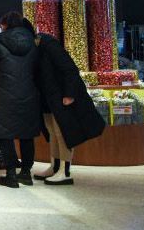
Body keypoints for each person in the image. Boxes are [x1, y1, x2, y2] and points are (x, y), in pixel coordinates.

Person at [31, 24, 106, 185]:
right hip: (47, 99)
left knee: (63, 132)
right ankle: (55, 166)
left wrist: (69, 94)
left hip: (60, 97)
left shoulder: (49, 45)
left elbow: (70, 69)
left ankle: (65, 171)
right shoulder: (36, 49)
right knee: (52, 132)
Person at [0, 11, 42, 188]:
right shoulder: (33, 42)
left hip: (3, 95)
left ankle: (11, 175)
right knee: (27, 134)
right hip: (29, 93)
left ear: (5, 25)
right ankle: (26, 174)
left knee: (4, 133)